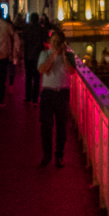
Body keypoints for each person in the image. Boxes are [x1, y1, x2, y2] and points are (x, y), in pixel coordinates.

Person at [36, 29, 76, 167]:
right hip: (47, 93)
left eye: (58, 42)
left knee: (61, 127)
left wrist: (64, 55)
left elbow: (71, 71)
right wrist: (53, 54)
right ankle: (46, 154)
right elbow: (42, 69)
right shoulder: (44, 54)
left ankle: (59, 155)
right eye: (54, 42)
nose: (56, 44)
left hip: (62, 93)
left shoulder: (70, 55)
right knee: (46, 126)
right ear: (49, 43)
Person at [20, 12, 48, 104]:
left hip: (28, 56)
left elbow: (23, 39)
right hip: (38, 56)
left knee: (28, 77)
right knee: (36, 78)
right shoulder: (41, 29)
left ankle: (28, 97)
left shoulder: (27, 29)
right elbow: (46, 38)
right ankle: (35, 98)